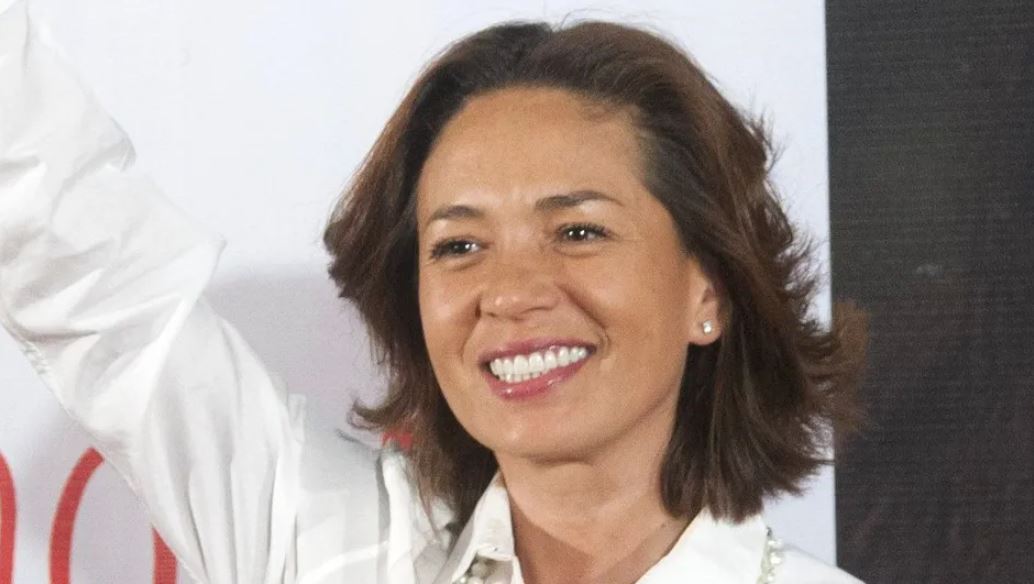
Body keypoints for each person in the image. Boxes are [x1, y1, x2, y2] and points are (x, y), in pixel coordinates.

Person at [0, 2, 866, 582]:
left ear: (709, 289)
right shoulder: (334, 549)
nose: (509, 293)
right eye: (459, 246)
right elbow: (87, 267)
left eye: (577, 231)